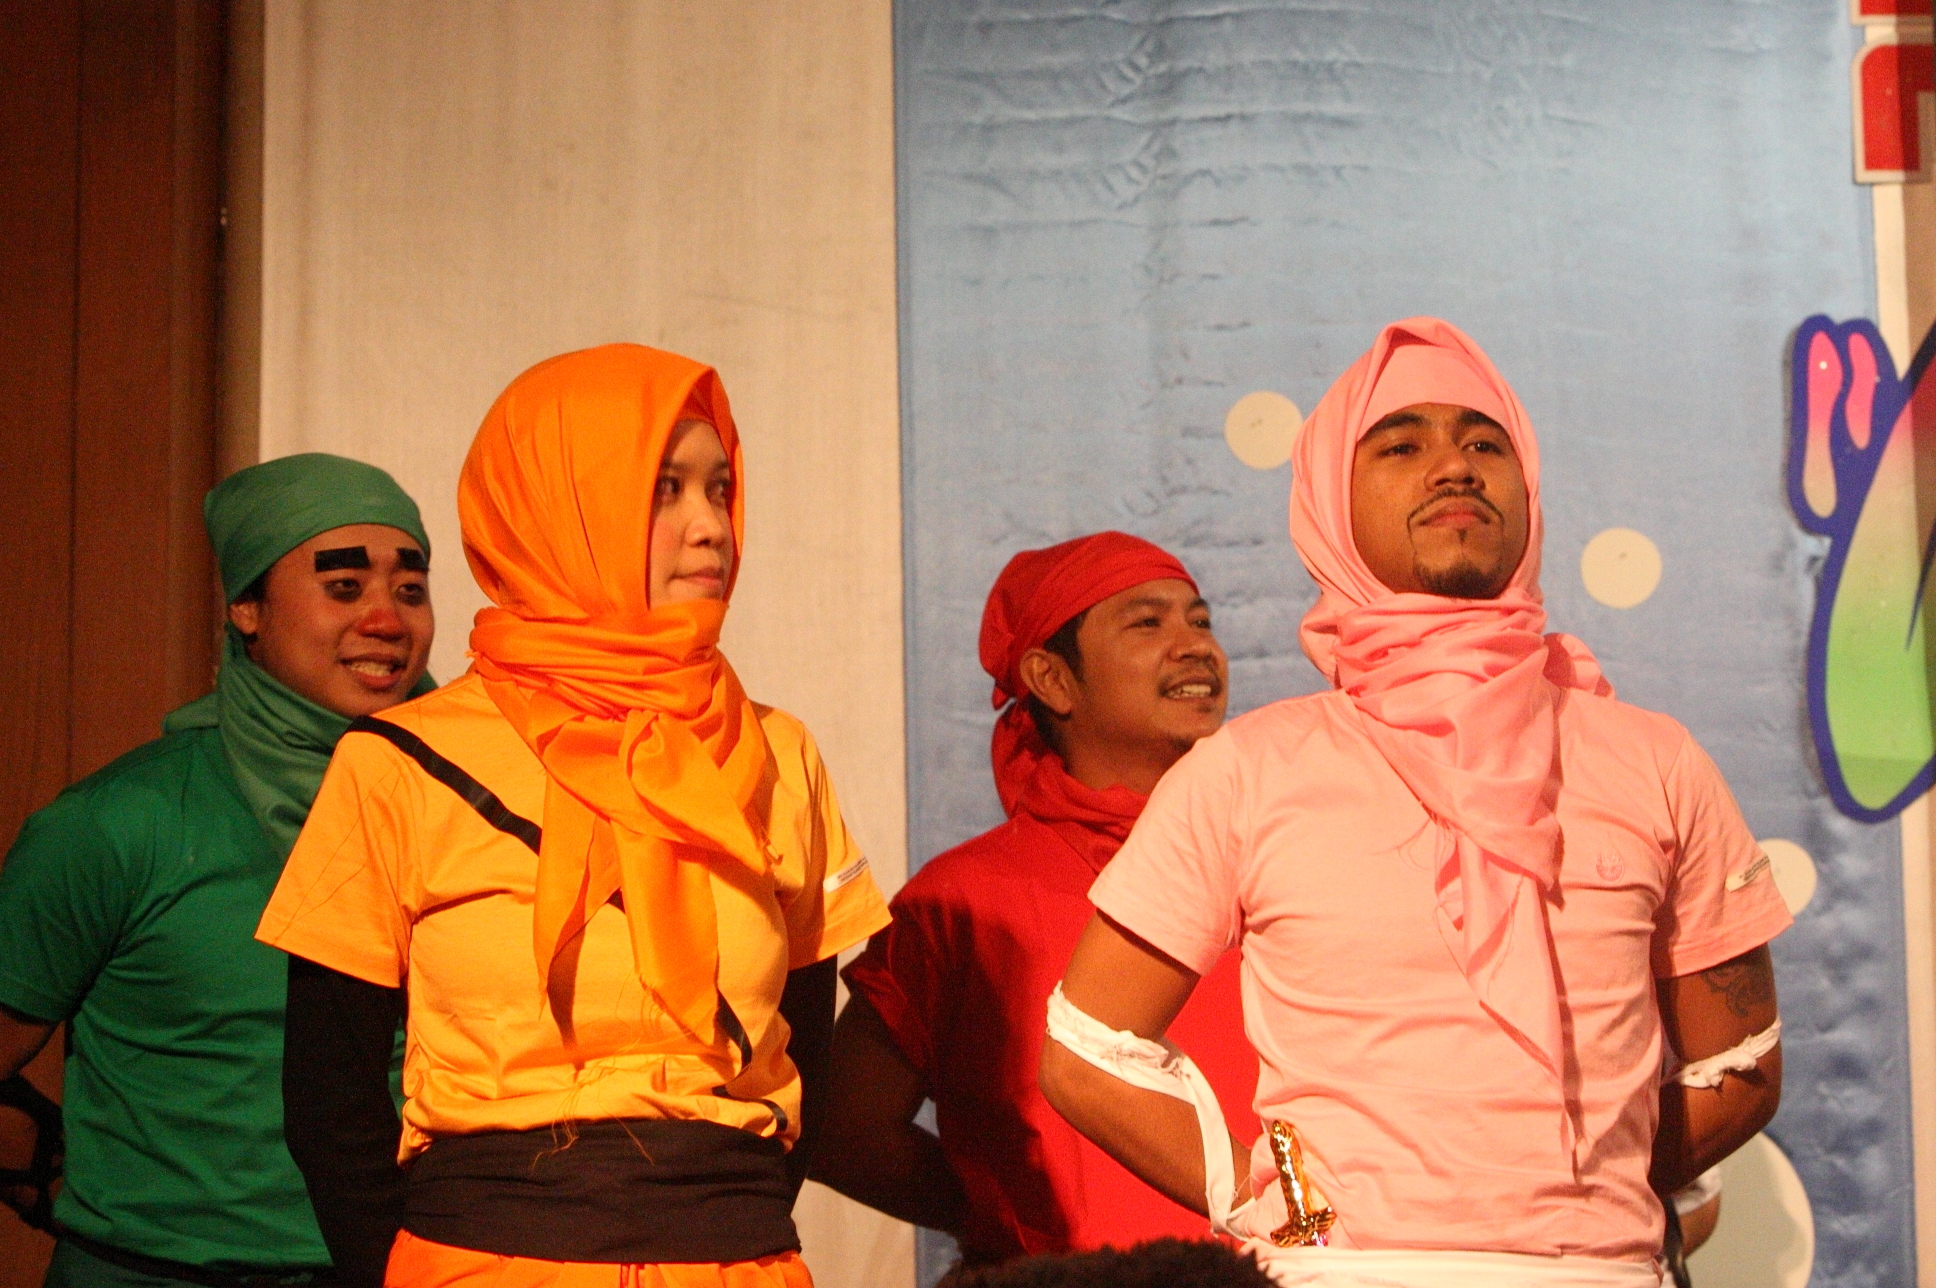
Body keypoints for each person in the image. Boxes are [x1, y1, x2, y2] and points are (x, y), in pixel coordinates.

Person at [1038, 317, 1792, 1287]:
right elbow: (1086, 1046)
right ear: (1329, 500)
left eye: (1485, 443)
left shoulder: (1653, 759)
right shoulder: (1249, 770)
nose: (1454, 467)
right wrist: (1282, 1204)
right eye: (1400, 446)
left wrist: (1582, 1201)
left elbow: (1745, 1061)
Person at [254, 344, 892, 1288]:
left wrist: (714, 1225)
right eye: (663, 490)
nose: (709, 528)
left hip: (736, 1260)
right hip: (480, 1261)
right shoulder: (399, 763)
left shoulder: (776, 752)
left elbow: (804, 1051)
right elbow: (329, 1094)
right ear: (561, 505)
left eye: (719, 489)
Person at [0, 454, 435, 1287]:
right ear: (247, 607)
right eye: (344, 587)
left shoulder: (464, 808)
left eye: (410, 590)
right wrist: (56, 1177)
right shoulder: (120, 825)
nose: (386, 619)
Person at [815, 533, 1257, 1263]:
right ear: (1051, 678)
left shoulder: (1275, 863)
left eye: (1201, 621)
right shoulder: (962, 903)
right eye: (1148, 623)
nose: (1195, 647)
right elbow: (845, 1130)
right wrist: (1002, 1217)